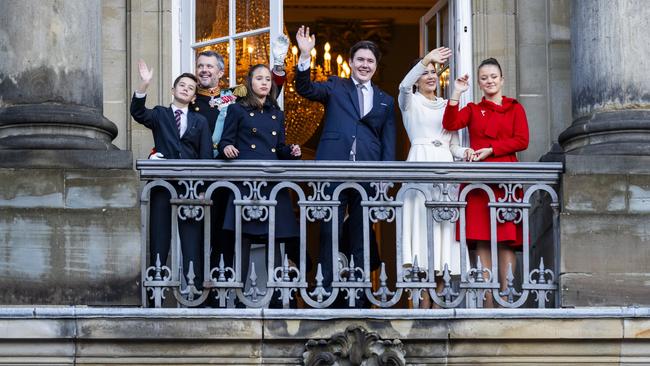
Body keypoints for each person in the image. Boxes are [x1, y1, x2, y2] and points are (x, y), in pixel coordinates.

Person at [294, 25, 396, 296]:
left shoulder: (386, 100)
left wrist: (385, 177)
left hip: (368, 171)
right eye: (360, 60)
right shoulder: (335, 86)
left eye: (370, 61)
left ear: (376, 66)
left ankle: (361, 289)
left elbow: (388, 143)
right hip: (333, 168)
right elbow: (304, 88)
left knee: (363, 232)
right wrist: (305, 56)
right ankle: (326, 288)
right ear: (351, 63)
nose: (365, 65)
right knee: (330, 229)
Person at [442, 57, 530, 307]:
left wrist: (492, 149)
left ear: (502, 79)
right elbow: (449, 123)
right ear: (479, 84)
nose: (489, 81)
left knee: (506, 240)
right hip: (478, 182)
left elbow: (522, 140)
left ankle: (508, 300)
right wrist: (456, 92)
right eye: (484, 78)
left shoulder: (515, 108)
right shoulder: (471, 109)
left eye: (493, 76)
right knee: (481, 239)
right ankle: (488, 302)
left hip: (506, 181)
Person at [130, 60, 212, 301]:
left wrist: (203, 189)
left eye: (191, 88)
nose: (186, 89)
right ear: (173, 90)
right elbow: (138, 113)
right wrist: (143, 85)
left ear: (194, 97)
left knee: (191, 239)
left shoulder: (200, 122)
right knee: (159, 235)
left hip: (190, 186)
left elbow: (206, 155)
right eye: (182, 85)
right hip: (162, 184)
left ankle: (194, 292)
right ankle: (157, 293)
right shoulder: (160, 114)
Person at [218, 64, 302, 295]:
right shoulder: (237, 110)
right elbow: (225, 140)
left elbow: (278, 148)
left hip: (272, 182)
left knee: (274, 238)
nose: (264, 82)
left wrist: (291, 151)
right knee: (242, 238)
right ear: (250, 83)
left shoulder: (277, 113)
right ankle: (237, 296)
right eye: (259, 78)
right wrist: (227, 148)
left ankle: (277, 296)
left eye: (267, 79)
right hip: (246, 181)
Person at [398, 47, 473, 308]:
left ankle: (439, 303)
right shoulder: (410, 101)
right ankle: (422, 305)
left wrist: (467, 152)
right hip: (420, 167)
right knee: (421, 236)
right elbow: (403, 85)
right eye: (425, 72)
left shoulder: (447, 105)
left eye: (434, 72)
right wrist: (426, 59)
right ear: (418, 77)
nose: (430, 76)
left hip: (445, 171)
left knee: (444, 234)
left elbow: (453, 145)